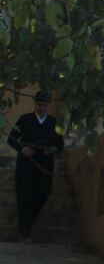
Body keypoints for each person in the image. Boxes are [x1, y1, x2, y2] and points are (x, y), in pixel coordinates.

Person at [6, 91, 64, 242]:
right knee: (23, 195)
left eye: (44, 105)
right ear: (35, 103)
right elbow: (11, 139)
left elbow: (60, 143)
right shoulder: (24, 120)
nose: (41, 108)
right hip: (26, 163)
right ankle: (25, 229)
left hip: (45, 164)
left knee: (44, 191)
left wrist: (53, 149)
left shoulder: (53, 122)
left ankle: (28, 220)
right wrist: (22, 148)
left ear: (48, 105)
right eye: (39, 104)